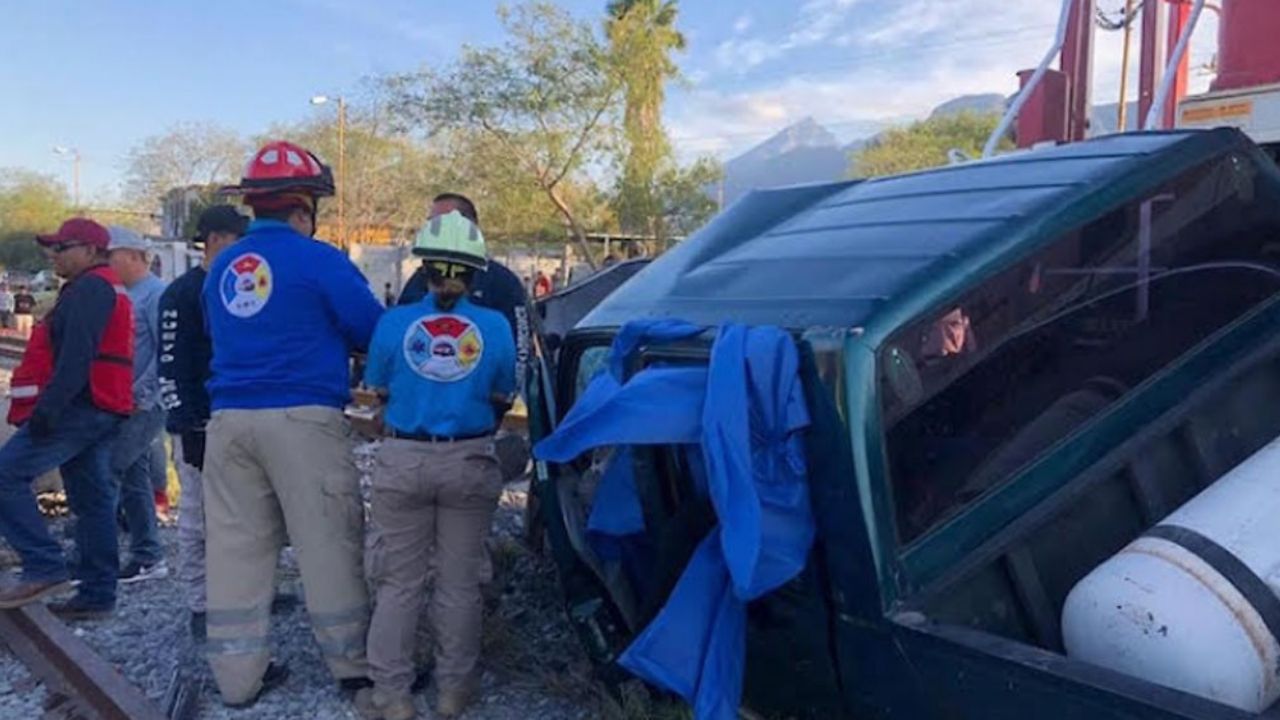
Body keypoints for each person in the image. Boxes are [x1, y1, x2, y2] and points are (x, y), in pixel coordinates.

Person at [202, 141, 383, 707]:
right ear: (303, 209)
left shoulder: (223, 268)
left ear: (254, 206)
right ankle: (353, 668)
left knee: (235, 549)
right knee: (326, 540)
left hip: (228, 421)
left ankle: (237, 680)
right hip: (303, 420)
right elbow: (370, 330)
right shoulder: (320, 258)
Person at [358, 211, 515, 720]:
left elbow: (376, 391)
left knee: (398, 584)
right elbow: (502, 396)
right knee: (459, 583)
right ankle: (453, 691)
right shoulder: (493, 326)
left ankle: (392, 696)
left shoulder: (394, 323)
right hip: (469, 460)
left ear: (423, 268)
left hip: (402, 459)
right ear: (474, 273)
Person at [0, 219, 134, 619]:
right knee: (93, 500)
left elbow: (78, 355)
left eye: (63, 248)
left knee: (5, 475)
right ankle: (97, 594)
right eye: (53, 249)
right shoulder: (102, 286)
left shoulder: (91, 288)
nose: (54, 255)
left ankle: (44, 566)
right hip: (103, 405)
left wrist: (49, 410)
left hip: (81, 406)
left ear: (92, 251)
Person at [159, 205, 246, 640]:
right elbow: (170, 364)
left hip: (238, 420)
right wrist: (187, 421)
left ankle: (243, 592)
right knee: (196, 517)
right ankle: (201, 603)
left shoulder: (239, 288)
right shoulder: (183, 292)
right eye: (236, 239)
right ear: (214, 240)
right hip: (199, 422)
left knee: (243, 516)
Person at [397, 193, 530, 398]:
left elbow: (520, 349)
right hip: (417, 407)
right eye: (432, 222)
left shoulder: (503, 282)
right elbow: (397, 337)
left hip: (476, 410)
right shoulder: (419, 278)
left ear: (470, 225)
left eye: (440, 220)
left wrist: (503, 403)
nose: (435, 227)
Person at [106, 226, 169, 584]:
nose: (108, 264)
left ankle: (92, 557)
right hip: (123, 402)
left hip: (142, 404)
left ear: (132, 255)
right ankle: (147, 553)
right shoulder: (123, 293)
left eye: (111, 256)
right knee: (134, 477)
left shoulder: (155, 295)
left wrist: (140, 394)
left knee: (107, 471)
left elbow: (165, 352)